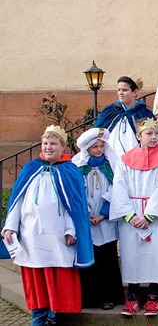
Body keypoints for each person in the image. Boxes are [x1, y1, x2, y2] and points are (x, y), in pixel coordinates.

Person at [2, 125, 93, 326]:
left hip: (58, 234)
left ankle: (55, 314)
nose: (48, 147)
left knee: (57, 273)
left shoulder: (71, 171)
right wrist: (10, 227)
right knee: (36, 275)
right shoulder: (30, 168)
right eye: (45, 143)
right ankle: (38, 315)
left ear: (62, 147)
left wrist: (71, 230)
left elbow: (75, 206)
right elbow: (17, 200)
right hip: (31, 234)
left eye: (53, 144)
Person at [110, 118, 158, 317]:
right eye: (149, 133)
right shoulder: (125, 160)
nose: (154, 137)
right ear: (139, 136)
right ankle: (132, 297)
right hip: (131, 215)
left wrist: (149, 215)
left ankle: (154, 296)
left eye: (156, 133)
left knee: (156, 255)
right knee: (133, 256)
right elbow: (119, 187)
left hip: (155, 216)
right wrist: (130, 215)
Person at [72, 128, 124, 311]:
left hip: (105, 221)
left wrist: (103, 213)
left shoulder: (110, 166)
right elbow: (75, 193)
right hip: (86, 221)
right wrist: (85, 213)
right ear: (87, 148)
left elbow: (117, 189)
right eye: (95, 146)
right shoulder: (78, 167)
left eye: (102, 146)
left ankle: (109, 296)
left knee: (107, 258)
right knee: (89, 258)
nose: (99, 149)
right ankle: (89, 297)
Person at [93, 75, 154, 157]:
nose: (120, 93)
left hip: (137, 158)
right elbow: (97, 131)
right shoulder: (110, 111)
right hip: (110, 159)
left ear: (135, 92)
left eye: (124, 90)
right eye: (119, 90)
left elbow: (151, 135)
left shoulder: (143, 112)